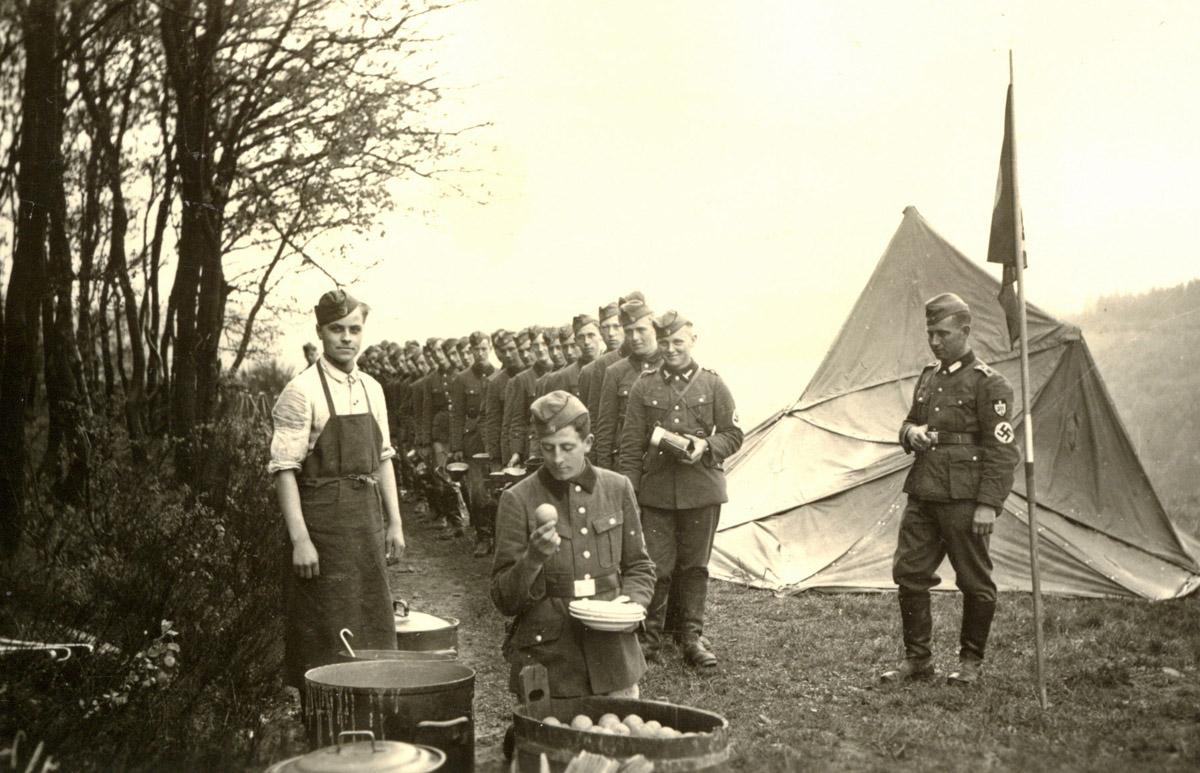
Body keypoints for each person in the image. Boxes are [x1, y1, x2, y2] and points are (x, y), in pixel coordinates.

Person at [269, 289, 403, 693]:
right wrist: (301, 540)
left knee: (372, 621)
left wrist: (394, 523)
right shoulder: (301, 390)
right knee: (325, 631)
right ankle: (326, 723)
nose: (346, 338)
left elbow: (383, 458)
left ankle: (373, 713)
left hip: (365, 523)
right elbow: (284, 471)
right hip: (322, 527)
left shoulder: (373, 388)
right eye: (336, 329)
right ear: (320, 332)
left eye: (354, 329)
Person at [881, 293, 1018, 685]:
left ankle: (971, 663)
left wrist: (989, 504)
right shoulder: (928, 377)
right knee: (909, 573)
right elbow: (907, 422)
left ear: (965, 331)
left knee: (974, 581)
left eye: (942, 333)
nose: (935, 342)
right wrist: (913, 433)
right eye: (930, 334)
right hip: (924, 493)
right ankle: (918, 660)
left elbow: (1002, 450)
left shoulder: (989, 385)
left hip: (965, 498)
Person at [491, 390, 655, 699]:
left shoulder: (617, 487)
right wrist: (533, 560)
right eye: (547, 448)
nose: (556, 459)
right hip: (549, 657)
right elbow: (504, 599)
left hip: (612, 652)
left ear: (588, 443)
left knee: (622, 737)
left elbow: (639, 566)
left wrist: (631, 605)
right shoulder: (517, 499)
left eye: (567, 447)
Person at [617, 310, 743, 669]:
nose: (672, 350)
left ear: (692, 340)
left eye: (678, 342)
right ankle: (649, 642)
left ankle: (692, 639)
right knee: (655, 567)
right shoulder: (644, 385)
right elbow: (630, 448)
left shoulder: (713, 385)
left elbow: (734, 434)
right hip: (656, 494)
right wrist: (631, 497)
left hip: (702, 491)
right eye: (666, 342)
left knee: (695, 568)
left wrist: (706, 447)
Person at [593, 297, 662, 469]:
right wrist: (606, 475)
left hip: (665, 467)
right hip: (626, 466)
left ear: (654, 328)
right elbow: (605, 431)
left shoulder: (672, 367)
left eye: (641, 330)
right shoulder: (615, 372)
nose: (634, 337)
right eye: (629, 331)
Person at [451, 330, 497, 556]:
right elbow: (457, 415)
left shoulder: (499, 376)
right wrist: (457, 446)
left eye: (484, 349)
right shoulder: (461, 379)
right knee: (477, 492)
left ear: (489, 349)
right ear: (470, 351)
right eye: (475, 349)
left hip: (495, 442)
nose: (480, 353)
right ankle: (483, 536)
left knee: (498, 490)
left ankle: (499, 535)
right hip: (473, 443)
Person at [503, 326, 555, 466]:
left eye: (544, 344)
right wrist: (516, 452)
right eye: (535, 345)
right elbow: (517, 420)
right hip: (534, 448)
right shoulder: (522, 380)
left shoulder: (561, 374)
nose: (540, 349)